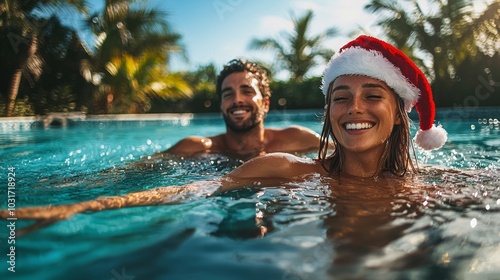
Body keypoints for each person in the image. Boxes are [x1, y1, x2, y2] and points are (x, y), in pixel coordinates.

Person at [1, 35, 448, 229]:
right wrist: (76, 205)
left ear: (398, 113)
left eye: (373, 96)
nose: (354, 109)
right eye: (340, 97)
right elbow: (187, 188)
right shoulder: (284, 167)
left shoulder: (429, 186)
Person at [152, 58, 321, 160]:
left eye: (247, 91)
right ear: (221, 106)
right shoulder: (196, 148)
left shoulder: (299, 139)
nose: (237, 100)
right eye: (228, 94)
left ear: (266, 104)